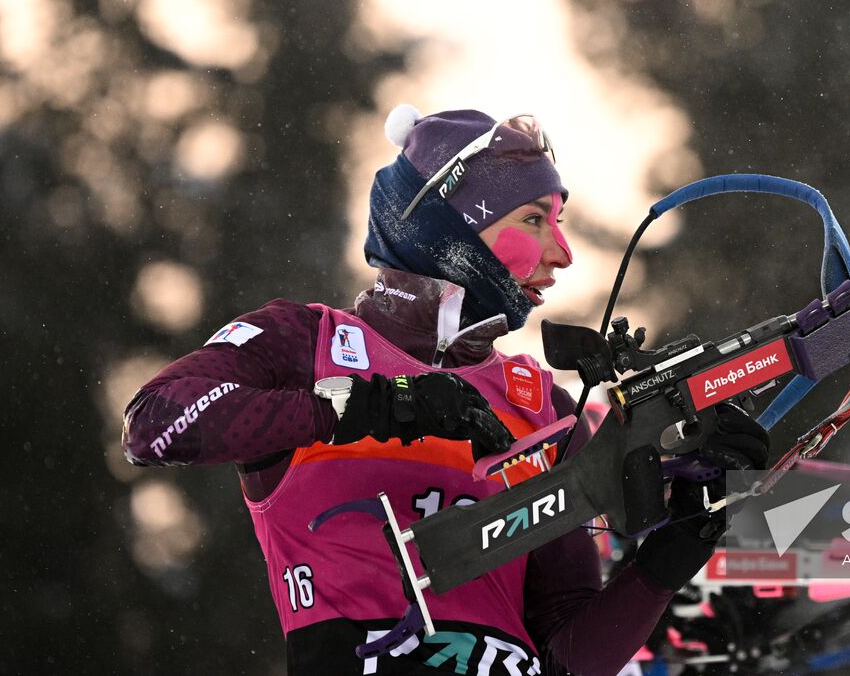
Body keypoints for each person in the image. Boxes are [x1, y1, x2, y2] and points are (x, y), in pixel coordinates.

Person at [122, 107, 770, 676]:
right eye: (534, 219)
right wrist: (373, 404)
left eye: (560, 221)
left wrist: (669, 555)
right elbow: (153, 423)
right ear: (452, 228)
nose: (563, 251)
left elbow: (569, 657)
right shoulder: (306, 343)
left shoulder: (541, 405)